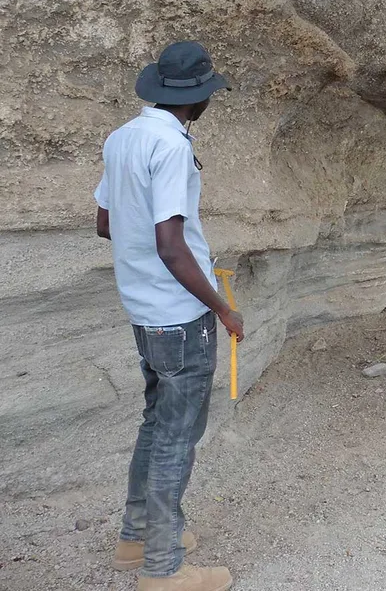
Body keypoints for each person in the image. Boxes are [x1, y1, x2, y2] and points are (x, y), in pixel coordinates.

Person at [94, 41, 244, 591]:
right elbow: (170, 244)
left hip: (141, 307)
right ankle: (162, 570)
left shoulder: (122, 138)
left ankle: (136, 539)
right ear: (198, 98)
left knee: (156, 423)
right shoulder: (173, 148)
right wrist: (223, 308)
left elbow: (106, 224)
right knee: (177, 436)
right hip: (180, 315)